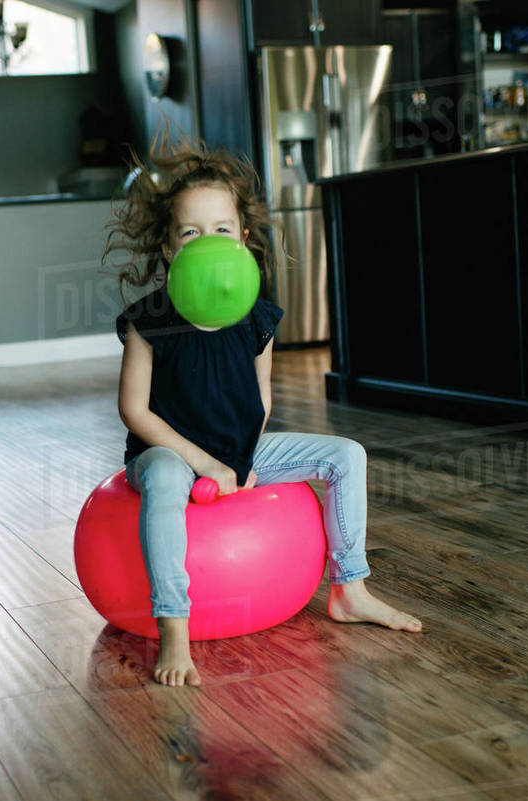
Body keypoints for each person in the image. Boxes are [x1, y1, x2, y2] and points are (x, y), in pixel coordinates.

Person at [105, 135, 422, 688]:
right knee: (166, 478)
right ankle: (174, 625)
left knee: (346, 455)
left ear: (244, 239)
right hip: (166, 454)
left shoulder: (257, 318)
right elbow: (134, 411)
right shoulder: (148, 320)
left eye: (221, 230)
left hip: (236, 451)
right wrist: (204, 463)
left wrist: (244, 457)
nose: (207, 242)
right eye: (190, 232)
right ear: (169, 247)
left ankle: (350, 589)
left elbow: (261, 398)